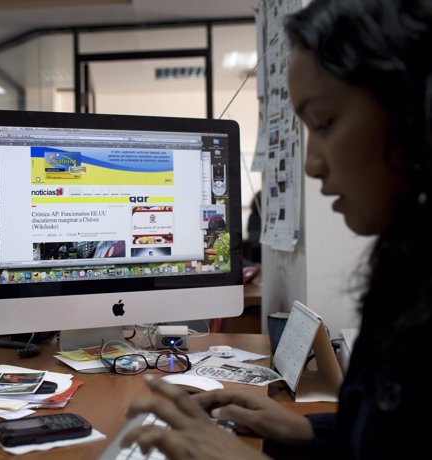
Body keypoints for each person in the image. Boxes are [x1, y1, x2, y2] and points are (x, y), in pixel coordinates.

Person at [120, 0, 432, 458]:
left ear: (413, 111)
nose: (311, 164)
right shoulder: (406, 257)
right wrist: (309, 432)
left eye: (324, 123)